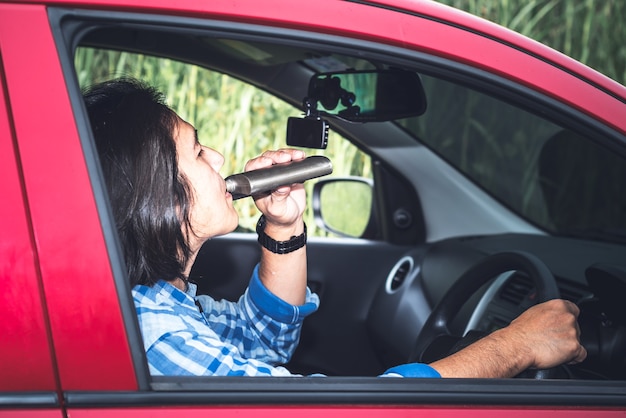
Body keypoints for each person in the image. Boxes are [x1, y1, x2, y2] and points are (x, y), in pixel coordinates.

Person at [83, 77, 586, 378]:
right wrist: (515, 345)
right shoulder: (153, 335)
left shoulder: (160, 302)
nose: (217, 156)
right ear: (156, 196)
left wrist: (283, 224)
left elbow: (264, 341)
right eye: (196, 150)